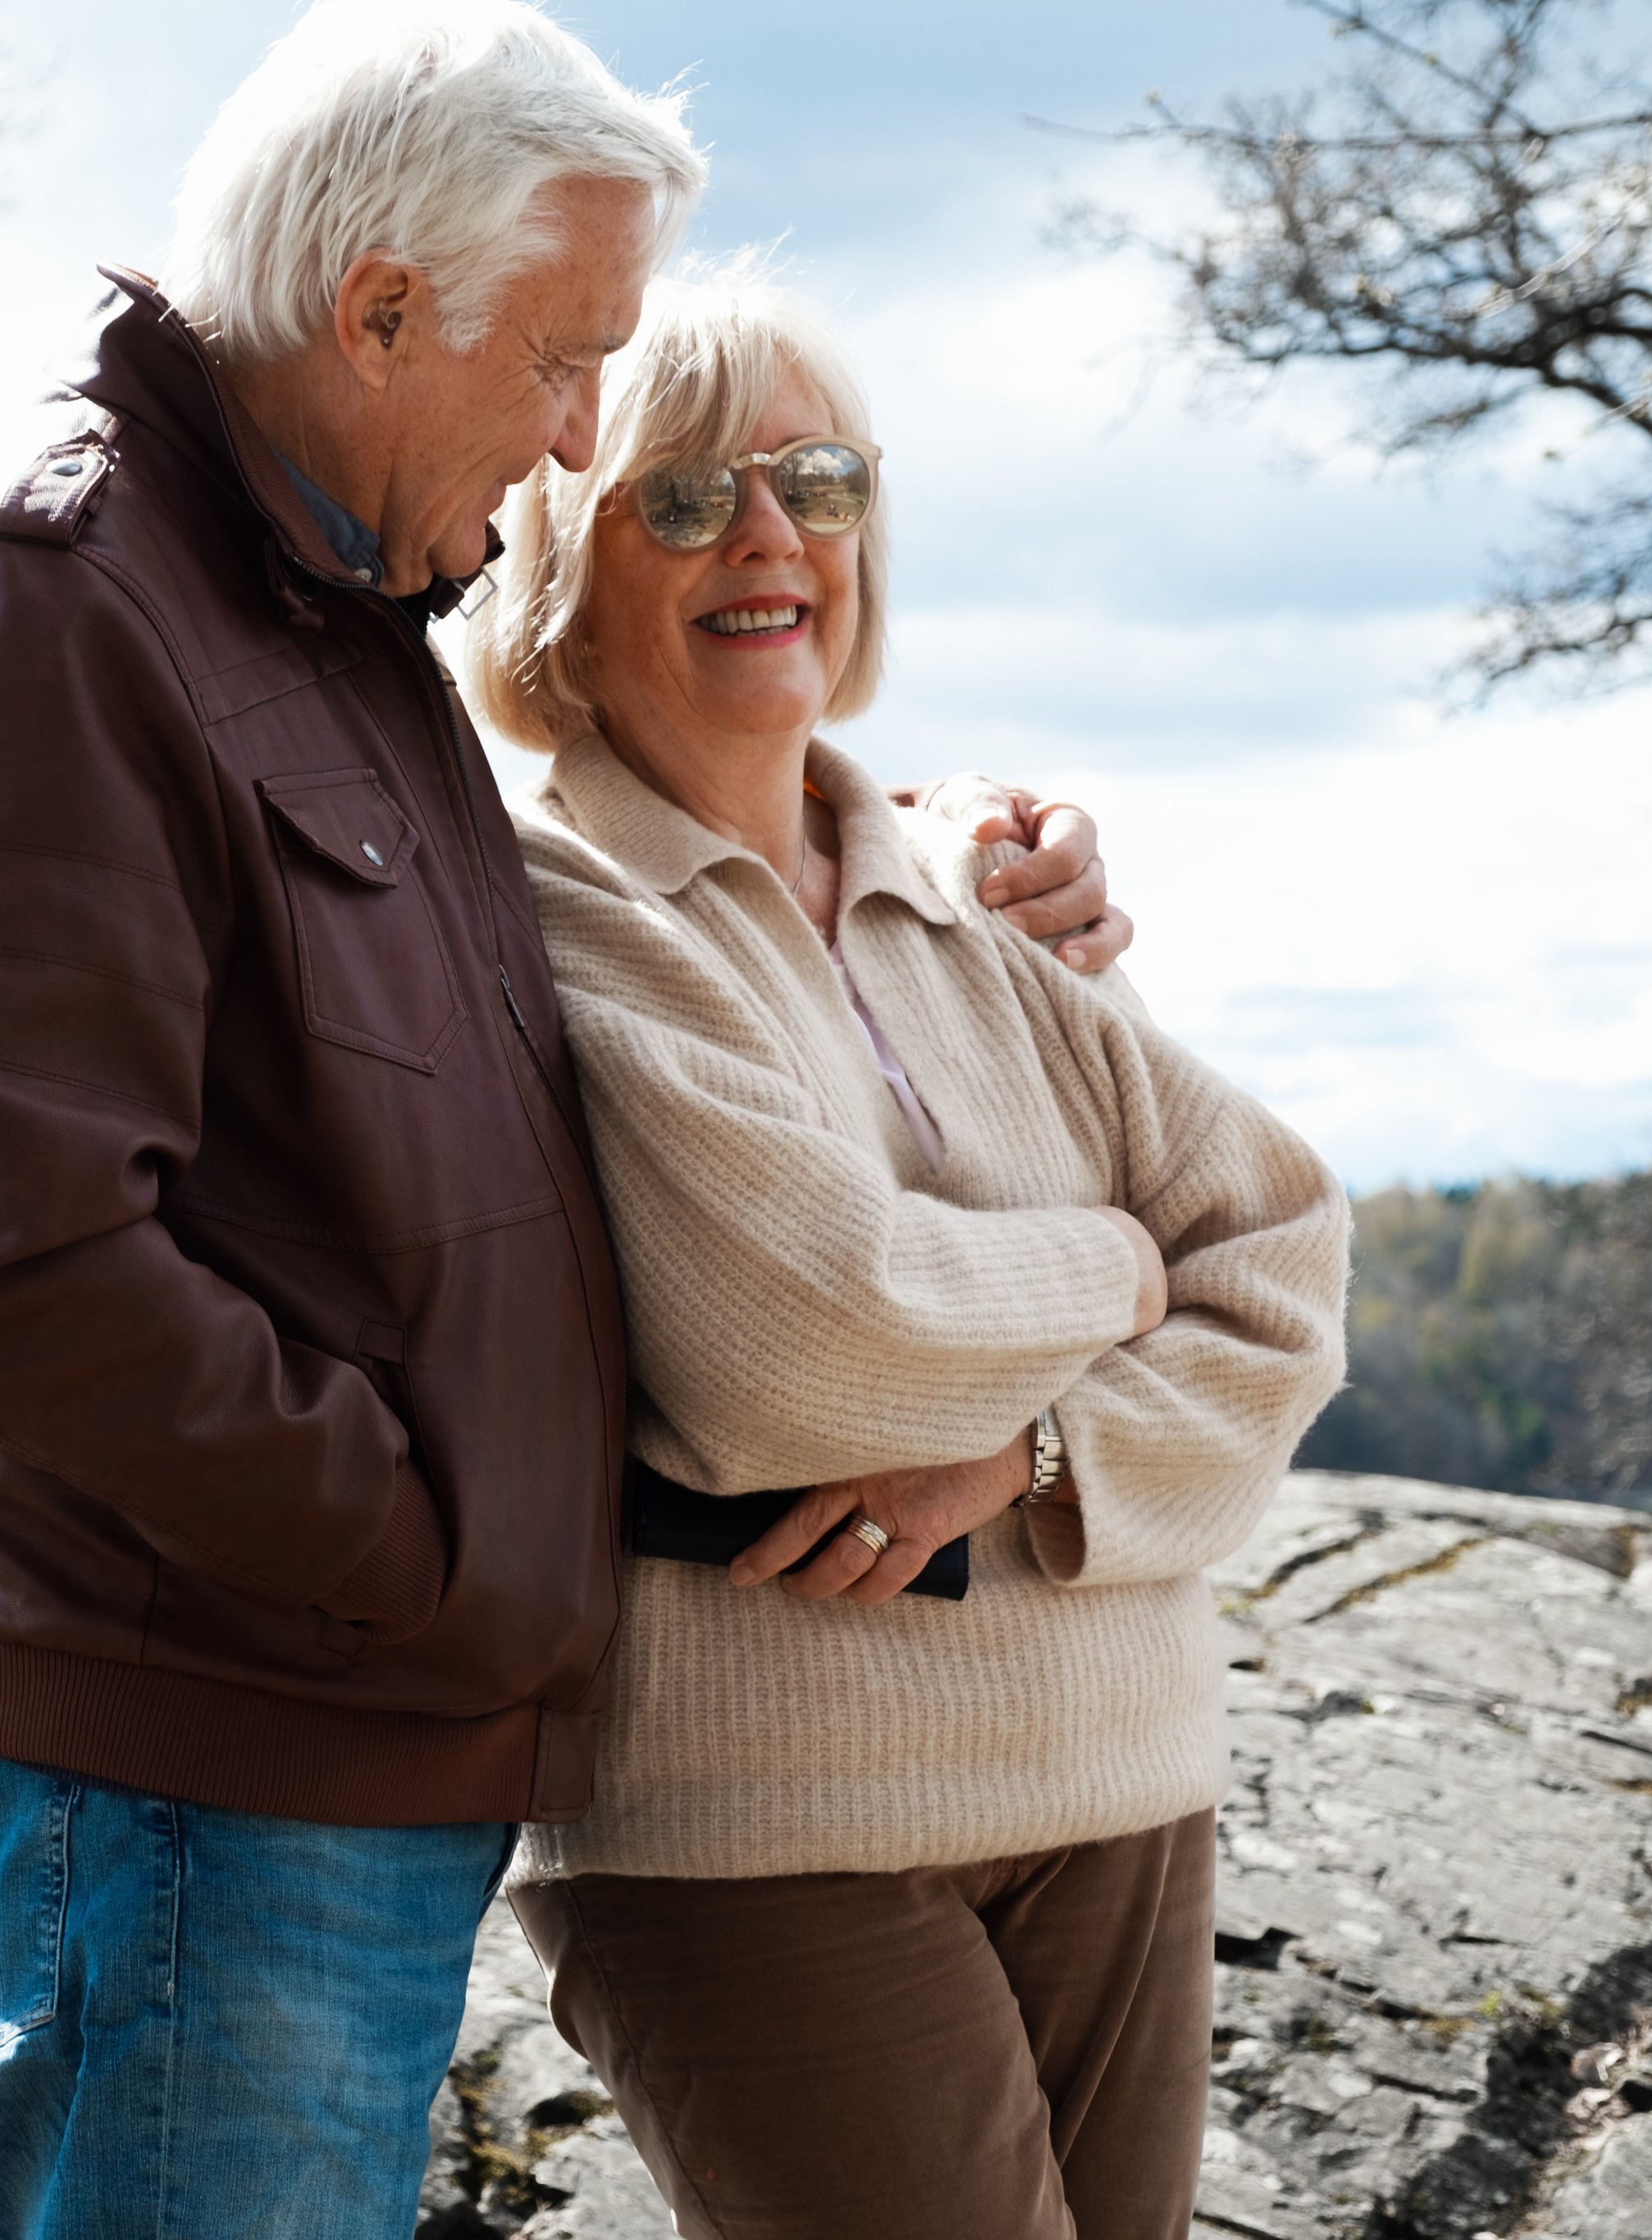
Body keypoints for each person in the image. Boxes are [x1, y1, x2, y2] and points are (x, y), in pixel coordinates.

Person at [0, 7, 1129, 2233]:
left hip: (325, 1736)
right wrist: (431, 1558)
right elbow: (21, 1277)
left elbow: (507, 982)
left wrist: (909, 849)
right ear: (379, 309)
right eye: (562, 364)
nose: (578, 439)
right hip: (205, 1757)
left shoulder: (320, 602)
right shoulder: (51, 599)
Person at [463, 269, 1349, 2240]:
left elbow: (1278, 1255)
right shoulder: (540, 896)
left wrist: (1031, 1458)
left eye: (816, 477)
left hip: (1120, 1770)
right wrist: (1120, 1267)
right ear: (551, 565)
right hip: (762, 1830)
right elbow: (805, 1342)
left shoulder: (970, 883)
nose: (767, 532)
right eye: (680, 497)